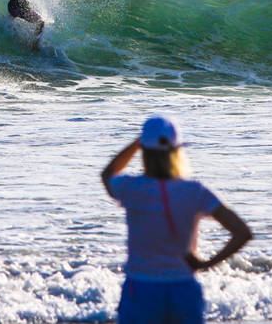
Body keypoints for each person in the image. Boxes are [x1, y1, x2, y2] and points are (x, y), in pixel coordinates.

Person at [101, 116, 253, 324]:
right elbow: (242, 232)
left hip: (142, 289)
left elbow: (108, 173)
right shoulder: (195, 191)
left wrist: (139, 142)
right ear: (177, 151)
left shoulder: (131, 188)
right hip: (183, 289)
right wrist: (207, 263)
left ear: (144, 151)